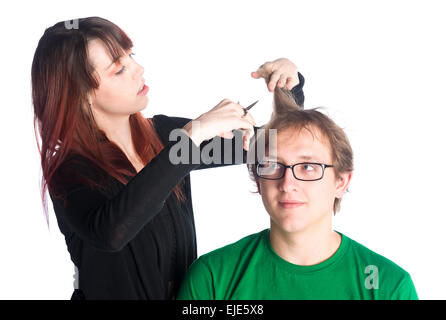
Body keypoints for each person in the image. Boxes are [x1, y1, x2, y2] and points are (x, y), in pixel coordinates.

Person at [31, 16, 305, 299]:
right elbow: (111, 233)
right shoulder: (68, 170)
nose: (139, 69)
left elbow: (273, 145)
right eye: (119, 69)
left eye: (131, 56)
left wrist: (289, 88)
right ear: (82, 93)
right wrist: (191, 137)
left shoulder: (162, 134)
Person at [177, 89, 418, 300]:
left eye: (308, 167)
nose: (288, 183)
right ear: (258, 181)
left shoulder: (388, 285)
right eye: (272, 165)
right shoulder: (213, 276)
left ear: (341, 182)